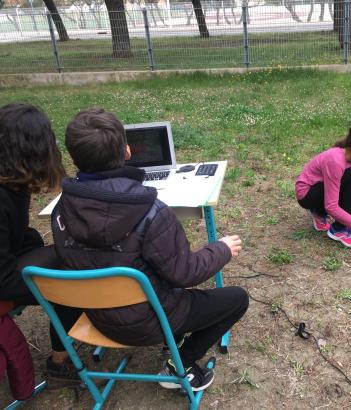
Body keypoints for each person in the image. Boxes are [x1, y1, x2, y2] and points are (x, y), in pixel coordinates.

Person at [52, 108, 249, 392]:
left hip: (96, 316)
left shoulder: (61, 209)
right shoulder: (152, 212)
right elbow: (185, 274)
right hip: (152, 320)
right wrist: (222, 249)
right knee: (237, 298)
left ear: (73, 157)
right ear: (127, 151)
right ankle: (180, 362)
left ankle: (177, 340)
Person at [0, 103, 82, 386]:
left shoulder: (11, 183)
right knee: (72, 272)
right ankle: (59, 363)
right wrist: (54, 277)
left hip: (7, 264)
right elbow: (3, 278)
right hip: (2, 281)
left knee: (47, 248)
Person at [295, 118, 351, 248]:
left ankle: (319, 212)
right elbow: (332, 206)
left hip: (321, 190)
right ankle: (339, 230)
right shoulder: (335, 161)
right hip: (307, 195)